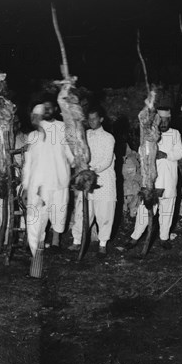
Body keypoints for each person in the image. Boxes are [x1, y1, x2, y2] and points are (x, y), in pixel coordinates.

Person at [22, 100, 74, 266]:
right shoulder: (32, 136)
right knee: (35, 222)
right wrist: (25, 186)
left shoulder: (64, 128)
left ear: (55, 109)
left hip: (59, 182)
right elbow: (28, 164)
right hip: (38, 186)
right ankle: (36, 261)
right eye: (37, 115)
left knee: (59, 214)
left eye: (49, 108)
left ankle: (55, 243)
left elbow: (72, 157)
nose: (43, 113)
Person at [125, 107, 182, 250]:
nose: (163, 124)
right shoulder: (150, 134)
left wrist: (165, 155)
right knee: (145, 211)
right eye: (160, 121)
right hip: (151, 181)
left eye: (166, 121)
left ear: (169, 120)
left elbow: (180, 153)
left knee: (167, 211)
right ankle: (135, 237)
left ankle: (164, 238)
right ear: (156, 121)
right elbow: (140, 151)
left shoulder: (175, 134)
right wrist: (150, 151)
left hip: (168, 180)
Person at [69, 106, 116, 257]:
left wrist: (90, 171)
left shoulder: (109, 137)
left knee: (104, 213)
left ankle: (102, 243)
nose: (92, 121)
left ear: (101, 119)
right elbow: (79, 153)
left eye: (95, 118)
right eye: (89, 119)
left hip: (103, 181)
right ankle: (77, 241)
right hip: (86, 180)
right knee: (82, 212)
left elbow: (106, 160)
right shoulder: (85, 135)